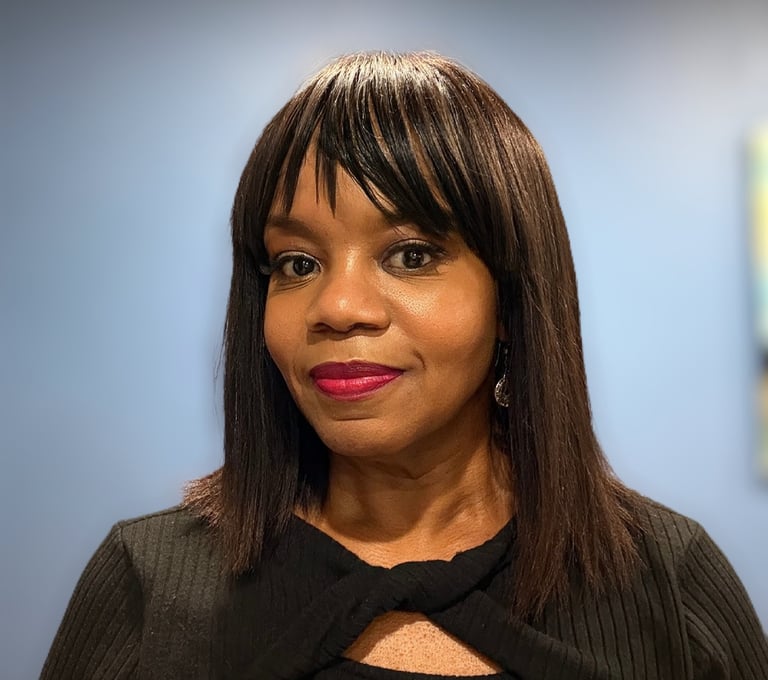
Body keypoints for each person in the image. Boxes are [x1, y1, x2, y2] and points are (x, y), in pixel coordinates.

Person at [42, 51, 768, 680]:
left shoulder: (670, 587)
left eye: (410, 255)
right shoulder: (147, 587)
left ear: (510, 301)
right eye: (296, 263)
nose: (339, 305)